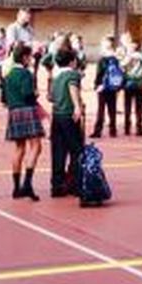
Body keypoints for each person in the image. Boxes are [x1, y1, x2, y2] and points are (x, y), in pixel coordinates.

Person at [2, 43, 45, 200]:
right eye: (30, 57)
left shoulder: (9, 74)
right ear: (25, 57)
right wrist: (35, 94)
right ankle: (27, 183)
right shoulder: (26, 73)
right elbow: (28, 94)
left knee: (19, 148)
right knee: (36, 146)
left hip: (14, 111)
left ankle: (16, 187)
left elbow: (4, 97)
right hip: (27, 110)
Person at [49, 47, 87, 197]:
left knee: (58, 150)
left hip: (57, 115)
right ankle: (75, 184)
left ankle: (57, 184)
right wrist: (77, 106)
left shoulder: (57, 77)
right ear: (72, 61)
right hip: (68, 115)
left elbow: (51, 97)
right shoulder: (73, 75)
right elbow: (72, 88)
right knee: (76, 150)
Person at [91, 35, 123, 139]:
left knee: (101, 109)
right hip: (113, 86)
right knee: (112, 109)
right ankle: (113, 130)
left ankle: (98, 130)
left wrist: (96, 84)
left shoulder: (103, 59)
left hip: (103, 86)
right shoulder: (116, 58)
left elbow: (99, 73)